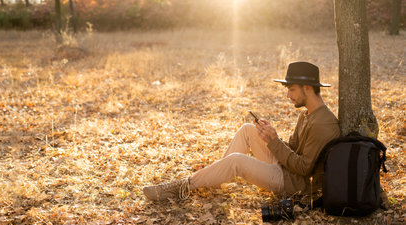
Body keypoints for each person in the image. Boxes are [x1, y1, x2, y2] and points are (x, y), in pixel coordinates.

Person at [143, 61, 341, 201]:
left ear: (307, 88)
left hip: (294, 184)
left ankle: (182, 186)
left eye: (291, 89)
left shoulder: (323, 124)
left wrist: (273, 142)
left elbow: (304, 168)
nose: (288, 95)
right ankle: (212, 179)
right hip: (286, 170)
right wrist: (269, 135)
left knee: (237, 160)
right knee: (248, 129)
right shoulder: (306, 115)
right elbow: (292, 149)